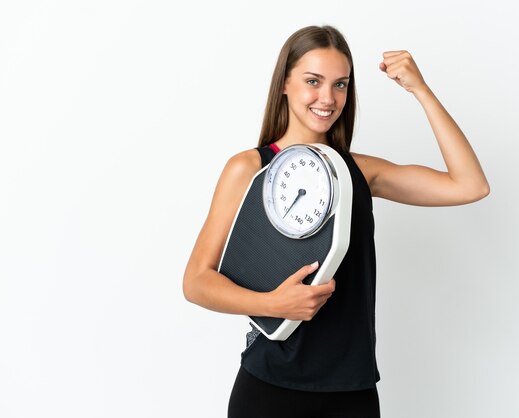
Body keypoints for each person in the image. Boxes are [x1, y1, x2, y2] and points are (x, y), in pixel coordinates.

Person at [183, 25, 489, 418]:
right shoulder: (249, 169)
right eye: (313, 81)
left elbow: (470, 185)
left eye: (340, 84)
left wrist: (421, 91)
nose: (327, 98)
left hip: (353, 390)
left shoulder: (361, 172)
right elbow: (196, 281)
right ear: (285, 85)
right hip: (270, 388)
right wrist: (272, 304)